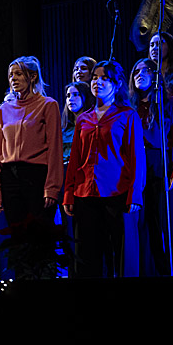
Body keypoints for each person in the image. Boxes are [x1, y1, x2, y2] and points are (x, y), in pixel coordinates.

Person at [63, 61, 145, 278]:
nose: (97, 82)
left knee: (119, 254)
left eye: (104, 78)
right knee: (88, 256)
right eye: (94, 78)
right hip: (85, 193)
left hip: (117, 193)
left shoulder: (127, 116)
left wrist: (135, 193)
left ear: (117, 84)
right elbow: (75, 160)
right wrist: (68, 193)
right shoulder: (83, 119)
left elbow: (136, 157)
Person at [0, 57, 64, 275]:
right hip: (11, 178)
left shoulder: (48, 105)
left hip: (37, 176)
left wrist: (52, 187)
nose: (13, 79)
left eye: (18, 74)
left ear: (32, 76)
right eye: (11, 75)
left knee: (40, 237)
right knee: (18, 239)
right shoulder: (4, 109)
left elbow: (55, 150)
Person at [130, 59, 173, 276]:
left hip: (160, 165)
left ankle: (168, 272)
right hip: (135, 168)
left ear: (155, 75)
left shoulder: (170, 104)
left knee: (163, 224)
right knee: (142, 224)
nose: (140, 75)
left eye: (146, 71)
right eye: (136, 71)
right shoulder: (129, 106)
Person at [61, 82, 95, 166]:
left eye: (76, 95)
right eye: (68, 96)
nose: (71, 99)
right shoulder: (63, 127)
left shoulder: (93, 125)